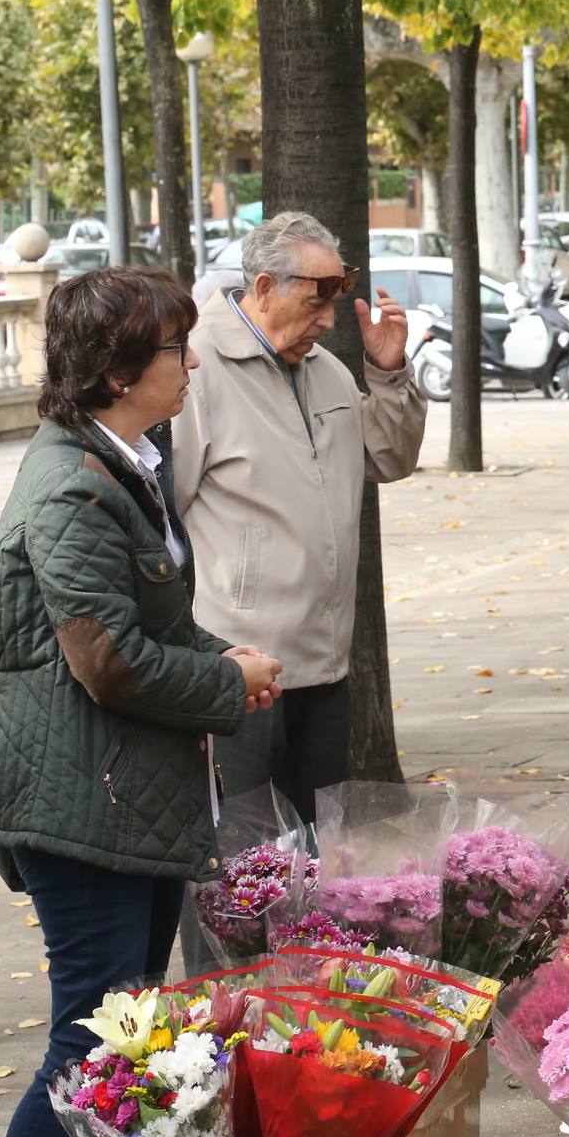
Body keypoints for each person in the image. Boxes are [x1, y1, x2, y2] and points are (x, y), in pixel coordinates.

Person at [0, 267, 283, 1137]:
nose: (190, 364)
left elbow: (153, 621)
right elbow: (105, 661)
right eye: (171, 351)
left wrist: (226, 661)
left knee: (131, 1035)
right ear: (116, 372)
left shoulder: (117, 459)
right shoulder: (73, 483)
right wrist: (223, 684)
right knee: (90, 1038)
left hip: (119, 797)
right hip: (78, 804)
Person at [169, 211, 425, 823]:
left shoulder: (327, 369)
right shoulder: (198, 370)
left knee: (317, 853)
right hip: (238, 666)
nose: (330, 320)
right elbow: (161, 519)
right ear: (263, 288)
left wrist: (389, 374)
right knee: (236, 855)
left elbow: (389, 456)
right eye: (317, 300)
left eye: (337, 299)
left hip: (324, 661)